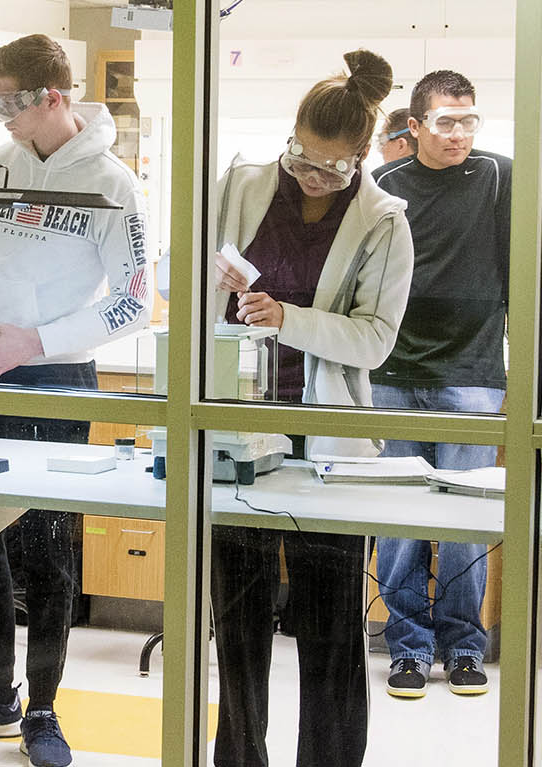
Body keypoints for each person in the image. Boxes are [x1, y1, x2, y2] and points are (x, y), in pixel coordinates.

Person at [0, 33, 152, 767]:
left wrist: (40, 340)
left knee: (48, 548)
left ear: (53, 97)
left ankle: (44, 704)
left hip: (56, 376)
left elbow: (133, 305)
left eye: (10, 103)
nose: (0, 116)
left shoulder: (114, 183)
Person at [209, 49, 411, 767]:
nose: (314, 176)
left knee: (330, 632)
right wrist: (218, 282)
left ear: (363, 156)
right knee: (236, 623)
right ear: (289, 138)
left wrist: (288, 318)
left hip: (326, 439)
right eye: (303, 159)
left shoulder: (384, 220)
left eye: (333, 167)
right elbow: (192, 274)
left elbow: (377, 339)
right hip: (243, 425)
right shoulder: (240, 183)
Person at [367, 70, 510, 700]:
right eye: (446, 121)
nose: (459, 133)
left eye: (469, 120)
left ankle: (463, 646)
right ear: (414, 127)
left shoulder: (501, 178)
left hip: (474, 375)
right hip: (395, 373)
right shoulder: (383, 186)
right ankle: (407, 647)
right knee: (400, 521)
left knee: (464, 523)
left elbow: (519, 273)